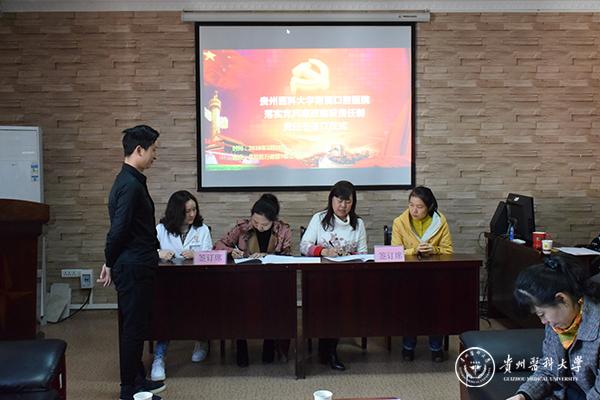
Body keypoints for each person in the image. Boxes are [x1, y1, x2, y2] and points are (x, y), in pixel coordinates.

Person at [97, 125, 164, 400]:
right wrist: (109, 261)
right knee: (133, 329)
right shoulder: (130, 185)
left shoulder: (131, 180)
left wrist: (110, 261)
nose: (155, 155)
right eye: (153, 150)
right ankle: (129, 390)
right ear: (139, 150)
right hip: (134, 266)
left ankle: (138, 380)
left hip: (136, 263)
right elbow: (119, 229)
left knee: (136, 326)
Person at [214, 193, 292, 367]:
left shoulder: (283, 229)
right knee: (238, 303)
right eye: (255, 222)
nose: (259, 227)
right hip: (244, 280)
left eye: (264, 225)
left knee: (275, 303)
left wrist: (267, 256)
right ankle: (241, 345)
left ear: (273, 221)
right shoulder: (242, 227)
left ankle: (269, 343)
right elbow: (218, 245)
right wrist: (231, 251)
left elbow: (287, 256)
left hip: (272, 281)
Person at [507, 256, 600, 400]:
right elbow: (549, 369)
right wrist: (523, 395)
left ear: (561, 298)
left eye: (542, 314)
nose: (543, 322)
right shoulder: (559, 323)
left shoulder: (595, 327)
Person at [299, 180, 368, 371]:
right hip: (321, 277)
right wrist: (323, 251)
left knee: (340, 304)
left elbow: (363, 252)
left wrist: (349, 254)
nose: (343, 206)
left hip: (348, 277)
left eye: (347, 201)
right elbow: (304, 246)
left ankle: (328, 350)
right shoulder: (319, 219)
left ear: (353, 203)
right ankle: (328, 350)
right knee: (329, 303)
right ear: (331, 200)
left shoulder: (358, 223)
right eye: (339, 201)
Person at [150, 190, 213, 382]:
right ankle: (159, 357)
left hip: (197, 283)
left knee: (202, 305)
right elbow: (147, 250)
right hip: (168, 284)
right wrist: (159, 253)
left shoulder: (202, 230)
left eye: (194, 209)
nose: (192, 214)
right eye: (187, 211)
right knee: (165, 312)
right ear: (176, 212)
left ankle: (202, 341)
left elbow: (211, 256)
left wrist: (197, 255)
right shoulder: (161, 229)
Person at [391, 185, 453, 362]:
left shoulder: (440, 222)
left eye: (419, 207)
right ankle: (408, 346)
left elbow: (448, 251)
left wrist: (433, 249)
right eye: (411, 205)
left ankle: (436, 347)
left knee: (437, 305)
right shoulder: (400, 222)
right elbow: (394, 252)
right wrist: (414, 250)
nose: (414, 210)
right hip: (407, 275)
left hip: (434, 275)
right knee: (409, 305)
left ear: (430, 207)